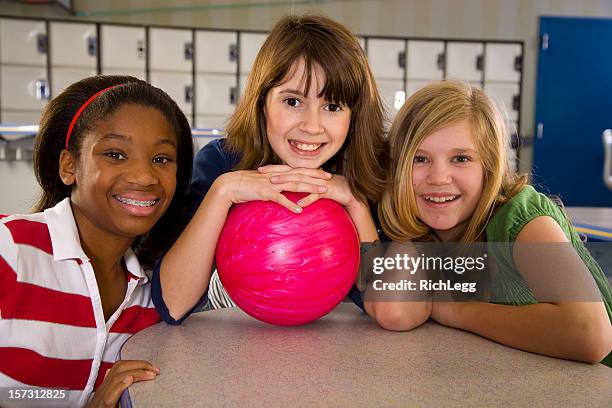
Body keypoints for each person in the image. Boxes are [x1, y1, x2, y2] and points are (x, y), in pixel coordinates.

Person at [152, 14, 388, 323]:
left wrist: (354, 202)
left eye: (332, 107)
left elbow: (385, 305)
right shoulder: (222, 162)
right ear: (262, 102)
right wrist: (223, 192)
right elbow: (172, 303)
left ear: (353, 116)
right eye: (292, 102)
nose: (312, 126)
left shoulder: (362, 173)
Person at [365, 80, 612, 366]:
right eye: (419, 159)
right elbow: (395, 311)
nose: (438, 177)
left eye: (460, 158)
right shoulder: (424, 231)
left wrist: (456, 311)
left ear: (490, 167)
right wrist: (396, 225)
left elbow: (591, 335)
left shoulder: (522, 219)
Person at [0, 75, 194, 406]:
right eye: (115, 154)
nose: (145, 176)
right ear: (69, 166)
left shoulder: (154, 296)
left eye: (161, 159)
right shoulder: (10, 249)